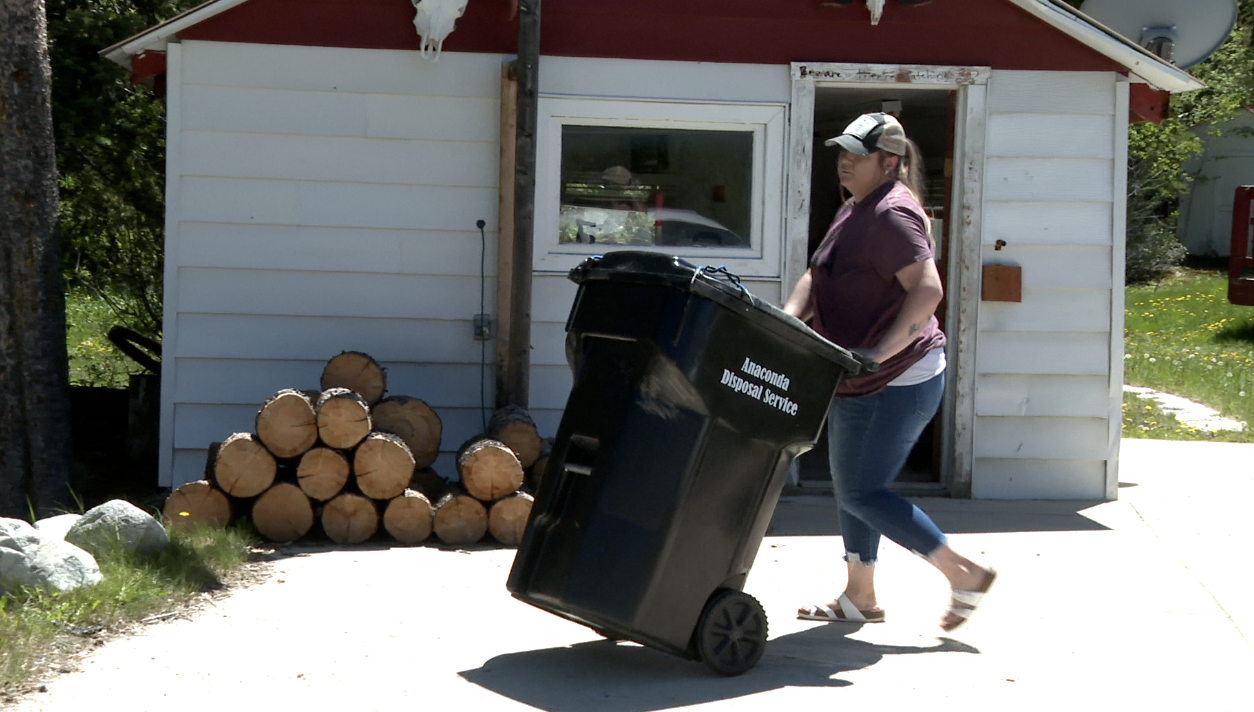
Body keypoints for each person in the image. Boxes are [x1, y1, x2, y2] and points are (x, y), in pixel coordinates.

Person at [783, 112, 995, 632]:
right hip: (857, 375)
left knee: (862, 491)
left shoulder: (891, 215)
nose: (845, 161)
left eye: (858, 153)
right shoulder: (856, 208)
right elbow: (820, 271)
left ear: (890, 161)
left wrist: (879, 351)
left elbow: (928, 290)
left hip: (898, 378)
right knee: (852, 485)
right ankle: (860, 597)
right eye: (843, 151)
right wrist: (788, 320)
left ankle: (963, 572)